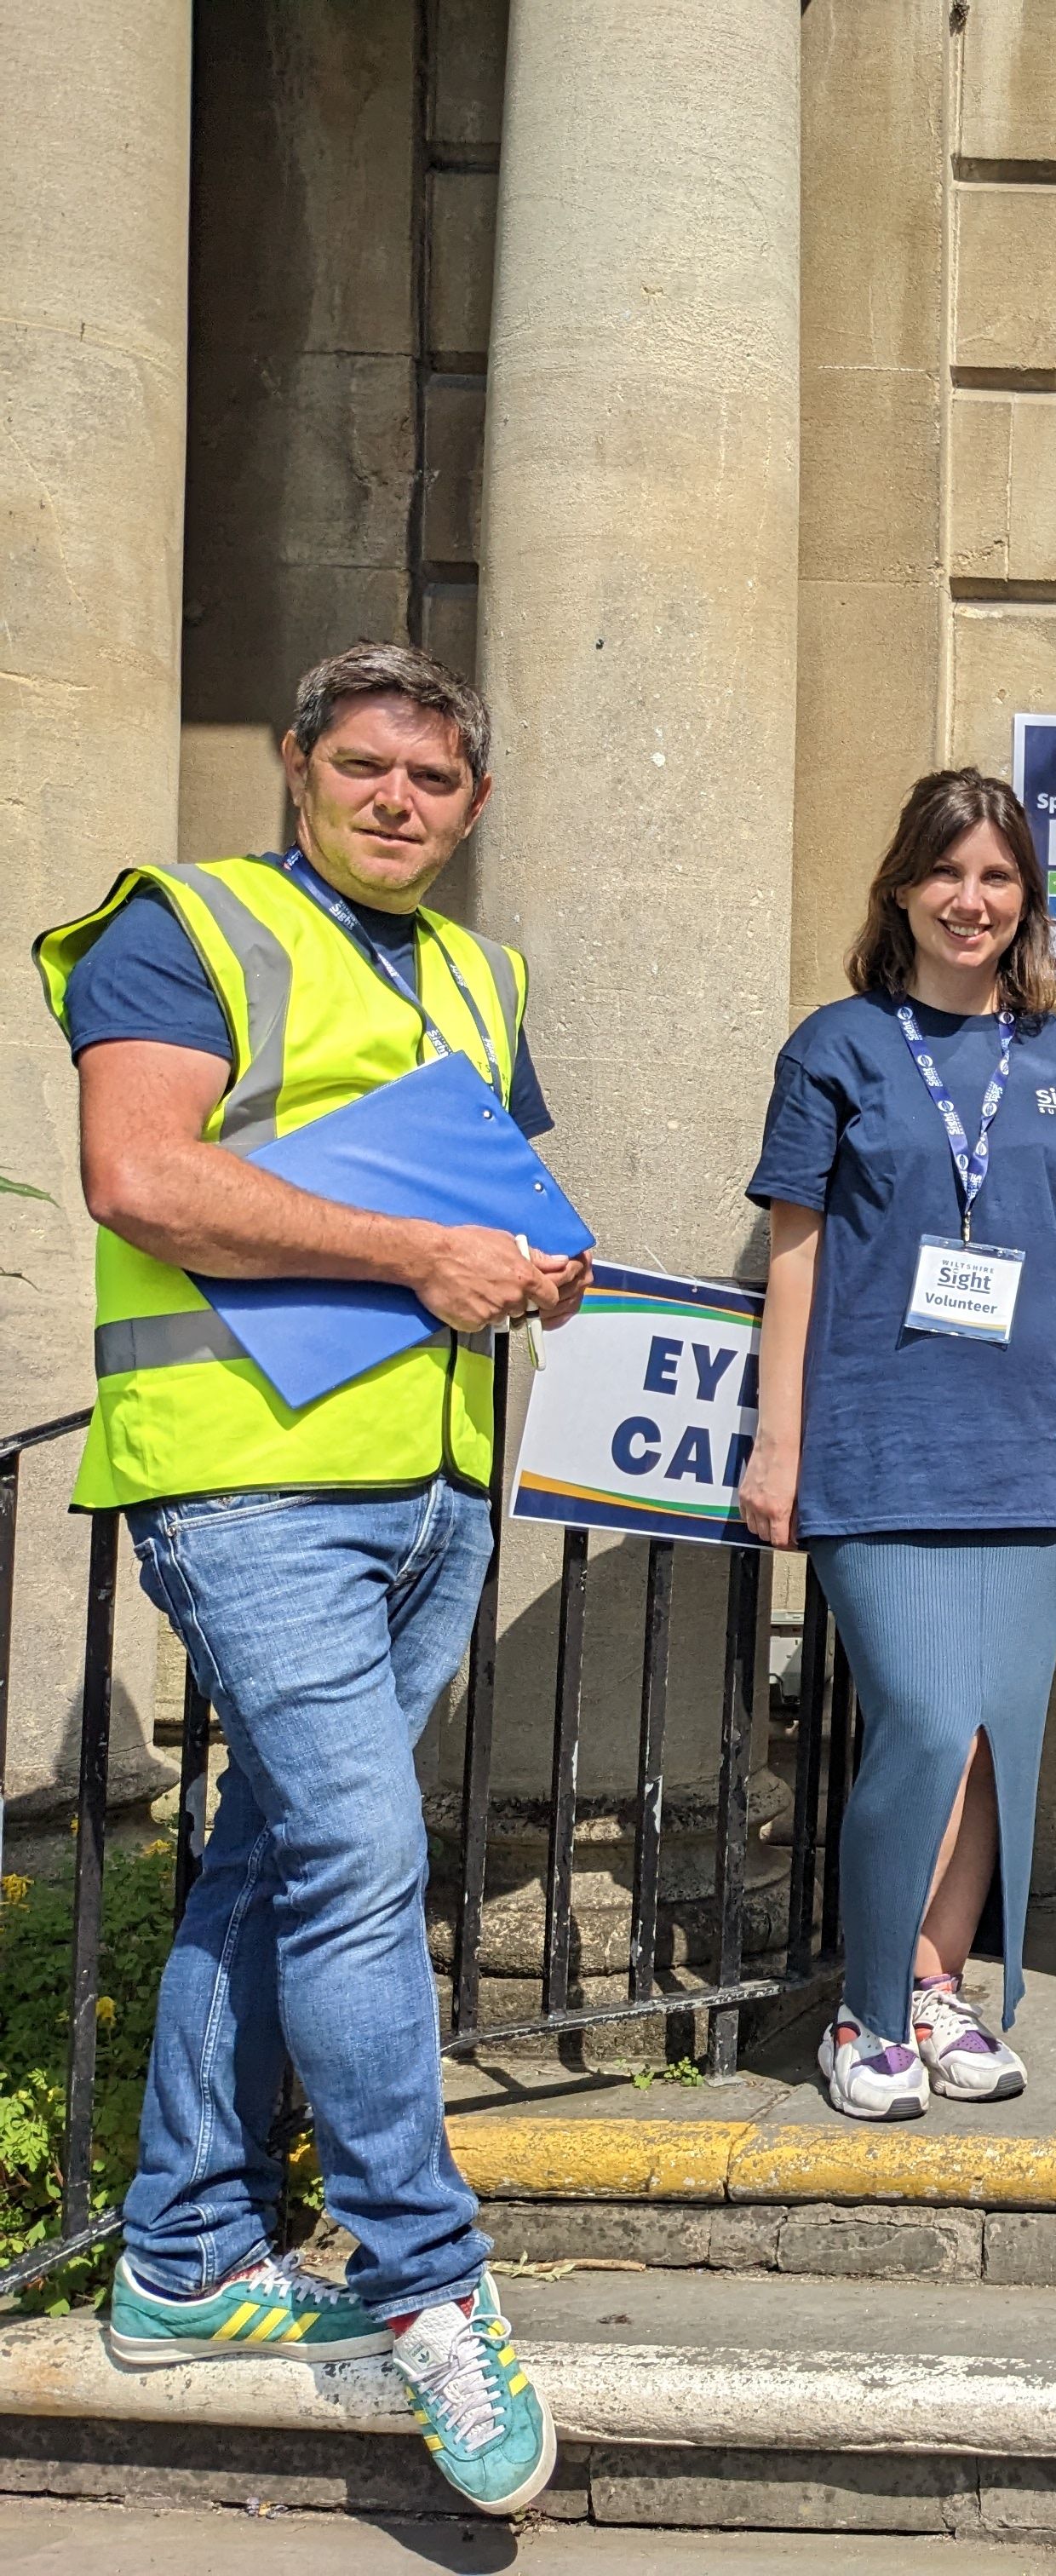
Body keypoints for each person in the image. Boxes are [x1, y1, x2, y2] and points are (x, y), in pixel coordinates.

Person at [35, 641, 584, 2515]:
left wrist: (528, 1265)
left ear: (474, 803)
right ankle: (429, 2280)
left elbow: (498, 1215)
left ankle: (183, 2259)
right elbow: (142, 1179)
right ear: (295, 767)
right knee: (359, 1855)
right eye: (363, 767)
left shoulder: (489, 977)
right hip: (254, 1490)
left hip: (431, 1486)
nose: (396, 802)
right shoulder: (180, 926)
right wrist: (431, 1249)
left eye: (432, 781)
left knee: (275, 1856)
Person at [740, 769, 1056, 2122]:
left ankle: (934, 1989)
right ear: (903, 887)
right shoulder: (837, 1047)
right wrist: (777, 1445)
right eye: (948, 873)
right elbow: (794, 1263)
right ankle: (866, 2005)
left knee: (987, 1736)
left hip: (1030, 1445)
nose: (972, 901)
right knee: (914, 1714)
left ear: (1027, 903)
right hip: (878, 1435)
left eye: (999, 878)